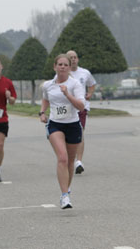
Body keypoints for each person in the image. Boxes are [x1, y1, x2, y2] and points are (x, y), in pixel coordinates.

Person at [39, 54, 85, 209]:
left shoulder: (75, 84)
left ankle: (66, 189)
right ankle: (65, 196)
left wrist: (67, 94)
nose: (63, 67)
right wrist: (42, 112)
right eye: (60, 64)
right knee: (63, 158)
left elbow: (81, 106)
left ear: (69, 67)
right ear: (55, 67)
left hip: (72, 124)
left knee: (70, 162)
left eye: (66, 64)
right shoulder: (48, 85)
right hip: (55, 124)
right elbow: (45, 98)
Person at [66, 50, 96, 174]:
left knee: (80, 132)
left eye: (75, 57)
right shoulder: (63, 73)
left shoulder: (85, 73)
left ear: (78, 59)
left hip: (81, 107)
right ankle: (69, 159)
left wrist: (90, 93)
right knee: (68, 136)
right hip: (68, 108)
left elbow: (92, 84)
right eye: (70, 58)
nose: (73, 59)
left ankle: (79, 161)